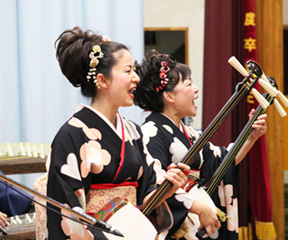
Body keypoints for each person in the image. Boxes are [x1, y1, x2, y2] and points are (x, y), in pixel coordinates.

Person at [46, 27, 189, 239]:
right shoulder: (72, 135)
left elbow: (145, 197)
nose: (136, 78)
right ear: (103, 81)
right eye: (128, 70)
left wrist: (166, 189)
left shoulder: (133, 131)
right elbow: (67, 213)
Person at [134, 50, 268, 240]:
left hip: (195, 221)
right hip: (180, 226)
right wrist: (197, 207)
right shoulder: (150, 132)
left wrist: (251, 136)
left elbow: (223, 160)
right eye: (189, 84)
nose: (196, 89)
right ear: (169, 97)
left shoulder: (187, 132)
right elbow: (156, 186)